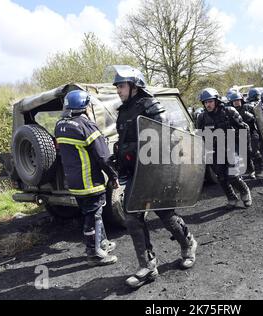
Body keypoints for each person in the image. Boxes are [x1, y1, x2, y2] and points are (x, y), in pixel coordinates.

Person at [112, 65, 197, 288]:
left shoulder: (151, 106)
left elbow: (164, 138)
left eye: (121, 86)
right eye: (118, 86)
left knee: (166, 215)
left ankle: (188, 244)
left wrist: (134, 149)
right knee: (132, 218)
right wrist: (119, 155)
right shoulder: (123, 110)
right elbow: (124, 140)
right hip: (135, 172)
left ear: (134, 86)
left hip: (156, 171)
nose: (118, 90)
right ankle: (148, 267)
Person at [55, 90, 119, 266]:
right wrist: (113, 175)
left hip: (74, 182)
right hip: (89, 181)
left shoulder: (60, 125)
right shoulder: (87, 126)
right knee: (94, 216)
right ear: (85, 107)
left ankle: (103, 243)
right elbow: (103, 156)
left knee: (92, 212)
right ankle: (94, 253)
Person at [196, 88, 253, 208]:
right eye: (205, 102)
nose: (208, 104)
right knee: (221, 177)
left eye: (210, 101)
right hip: (215, 150)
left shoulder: (229, 111)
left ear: (216, 101)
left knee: (233, 175)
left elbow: (244, 128)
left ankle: (244, 191)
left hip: (232, 147)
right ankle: (231, 198)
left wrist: (245, 148)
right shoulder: (202, 117)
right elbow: (199, 136)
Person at [229, 92, 263, 179]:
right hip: (239, 135)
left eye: (238, 100)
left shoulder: (248, 107)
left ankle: (258, 171)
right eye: (234, 101)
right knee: (244, 155)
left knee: (255, 152)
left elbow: (260, 118)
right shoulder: (230, 111)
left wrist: (251, 117)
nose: (236, 102)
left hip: (251, 133)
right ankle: (251, 171)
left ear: (241, 100)